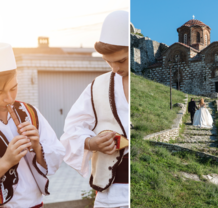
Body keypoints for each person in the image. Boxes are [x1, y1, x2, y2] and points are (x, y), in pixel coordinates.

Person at [60, 10, 129, 208]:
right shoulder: (97, 86)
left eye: (121, 60)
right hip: (110, 195)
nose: (115, 68)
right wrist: (91, 143)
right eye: (108, 62)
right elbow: (71, 131)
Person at [0, 43, 65, 208]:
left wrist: (37, 147)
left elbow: (57, 152)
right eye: (0, 92)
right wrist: (6, 162)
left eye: (13, 89)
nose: (9, 99)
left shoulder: (29, 112)